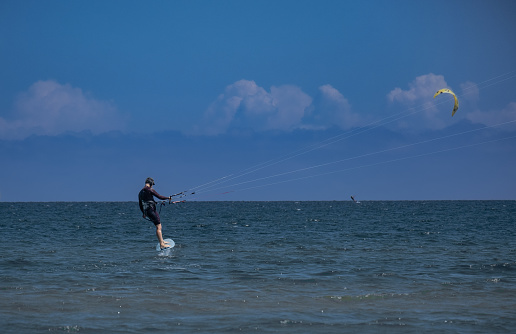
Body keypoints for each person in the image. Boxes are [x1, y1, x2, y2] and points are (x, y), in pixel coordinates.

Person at [138, 177, 173, 249]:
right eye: (152, 184)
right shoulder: (150, 190)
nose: (152, 186)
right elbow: (159, 196)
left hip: (147, 211)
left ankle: (162, 241)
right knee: (158, 227)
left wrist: (143, 213)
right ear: (150, 183)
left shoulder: (140, 192)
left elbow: (140, 204)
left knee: (158, 225)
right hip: (151, 210)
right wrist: (168, 198)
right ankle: (162, 244)